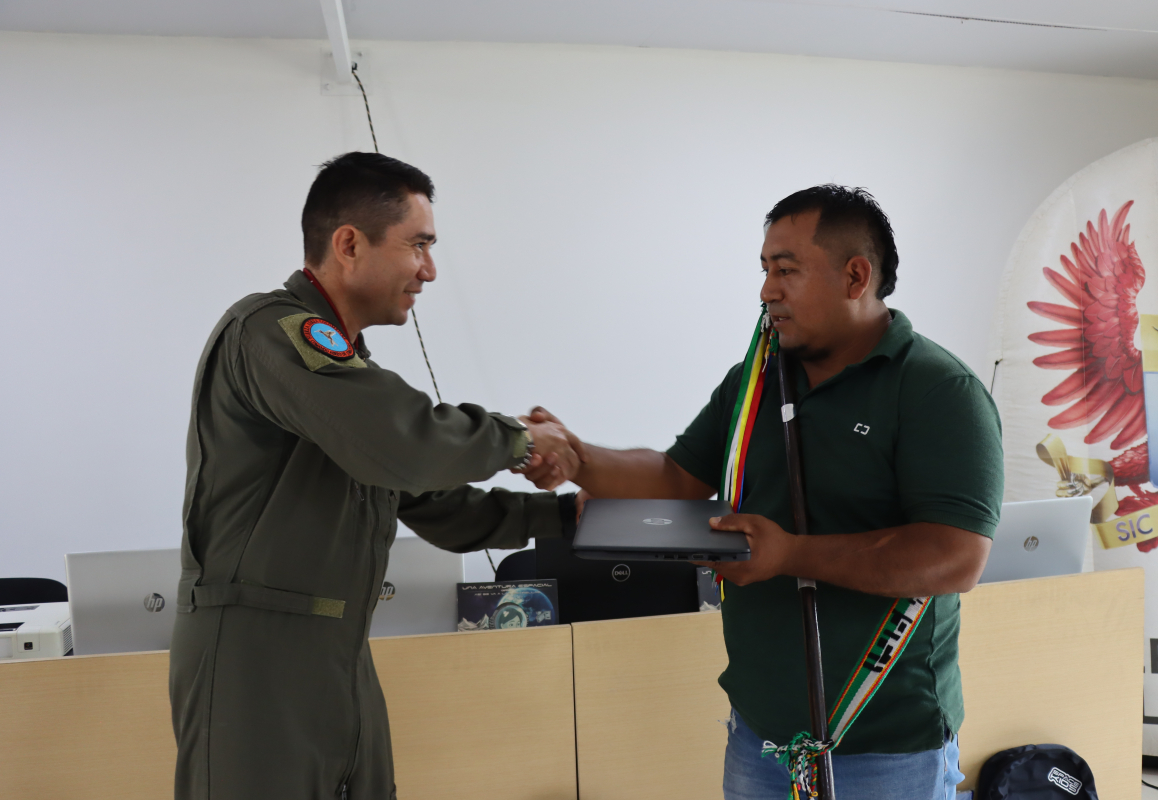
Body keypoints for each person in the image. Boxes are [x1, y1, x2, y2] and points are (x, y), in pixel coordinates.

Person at [525, 185, 1003, 800]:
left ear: (856, 276)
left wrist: (790, 554)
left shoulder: (938, 390)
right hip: (762, 736)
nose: (766, 291)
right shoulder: (754, 380)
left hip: (886, 744)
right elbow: (677, 477)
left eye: (786, 270)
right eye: (764, 270)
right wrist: (580, 458)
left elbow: (956, 556)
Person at [170, 151, 581, 800]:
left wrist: (565, 518)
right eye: (419, 245)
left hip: (338, 649)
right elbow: (407, 444)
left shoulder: (346, 381)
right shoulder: (271, 332)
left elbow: (432, 501)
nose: (430, 271)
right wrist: (519, 440)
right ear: (349, 244)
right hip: (256, 657)